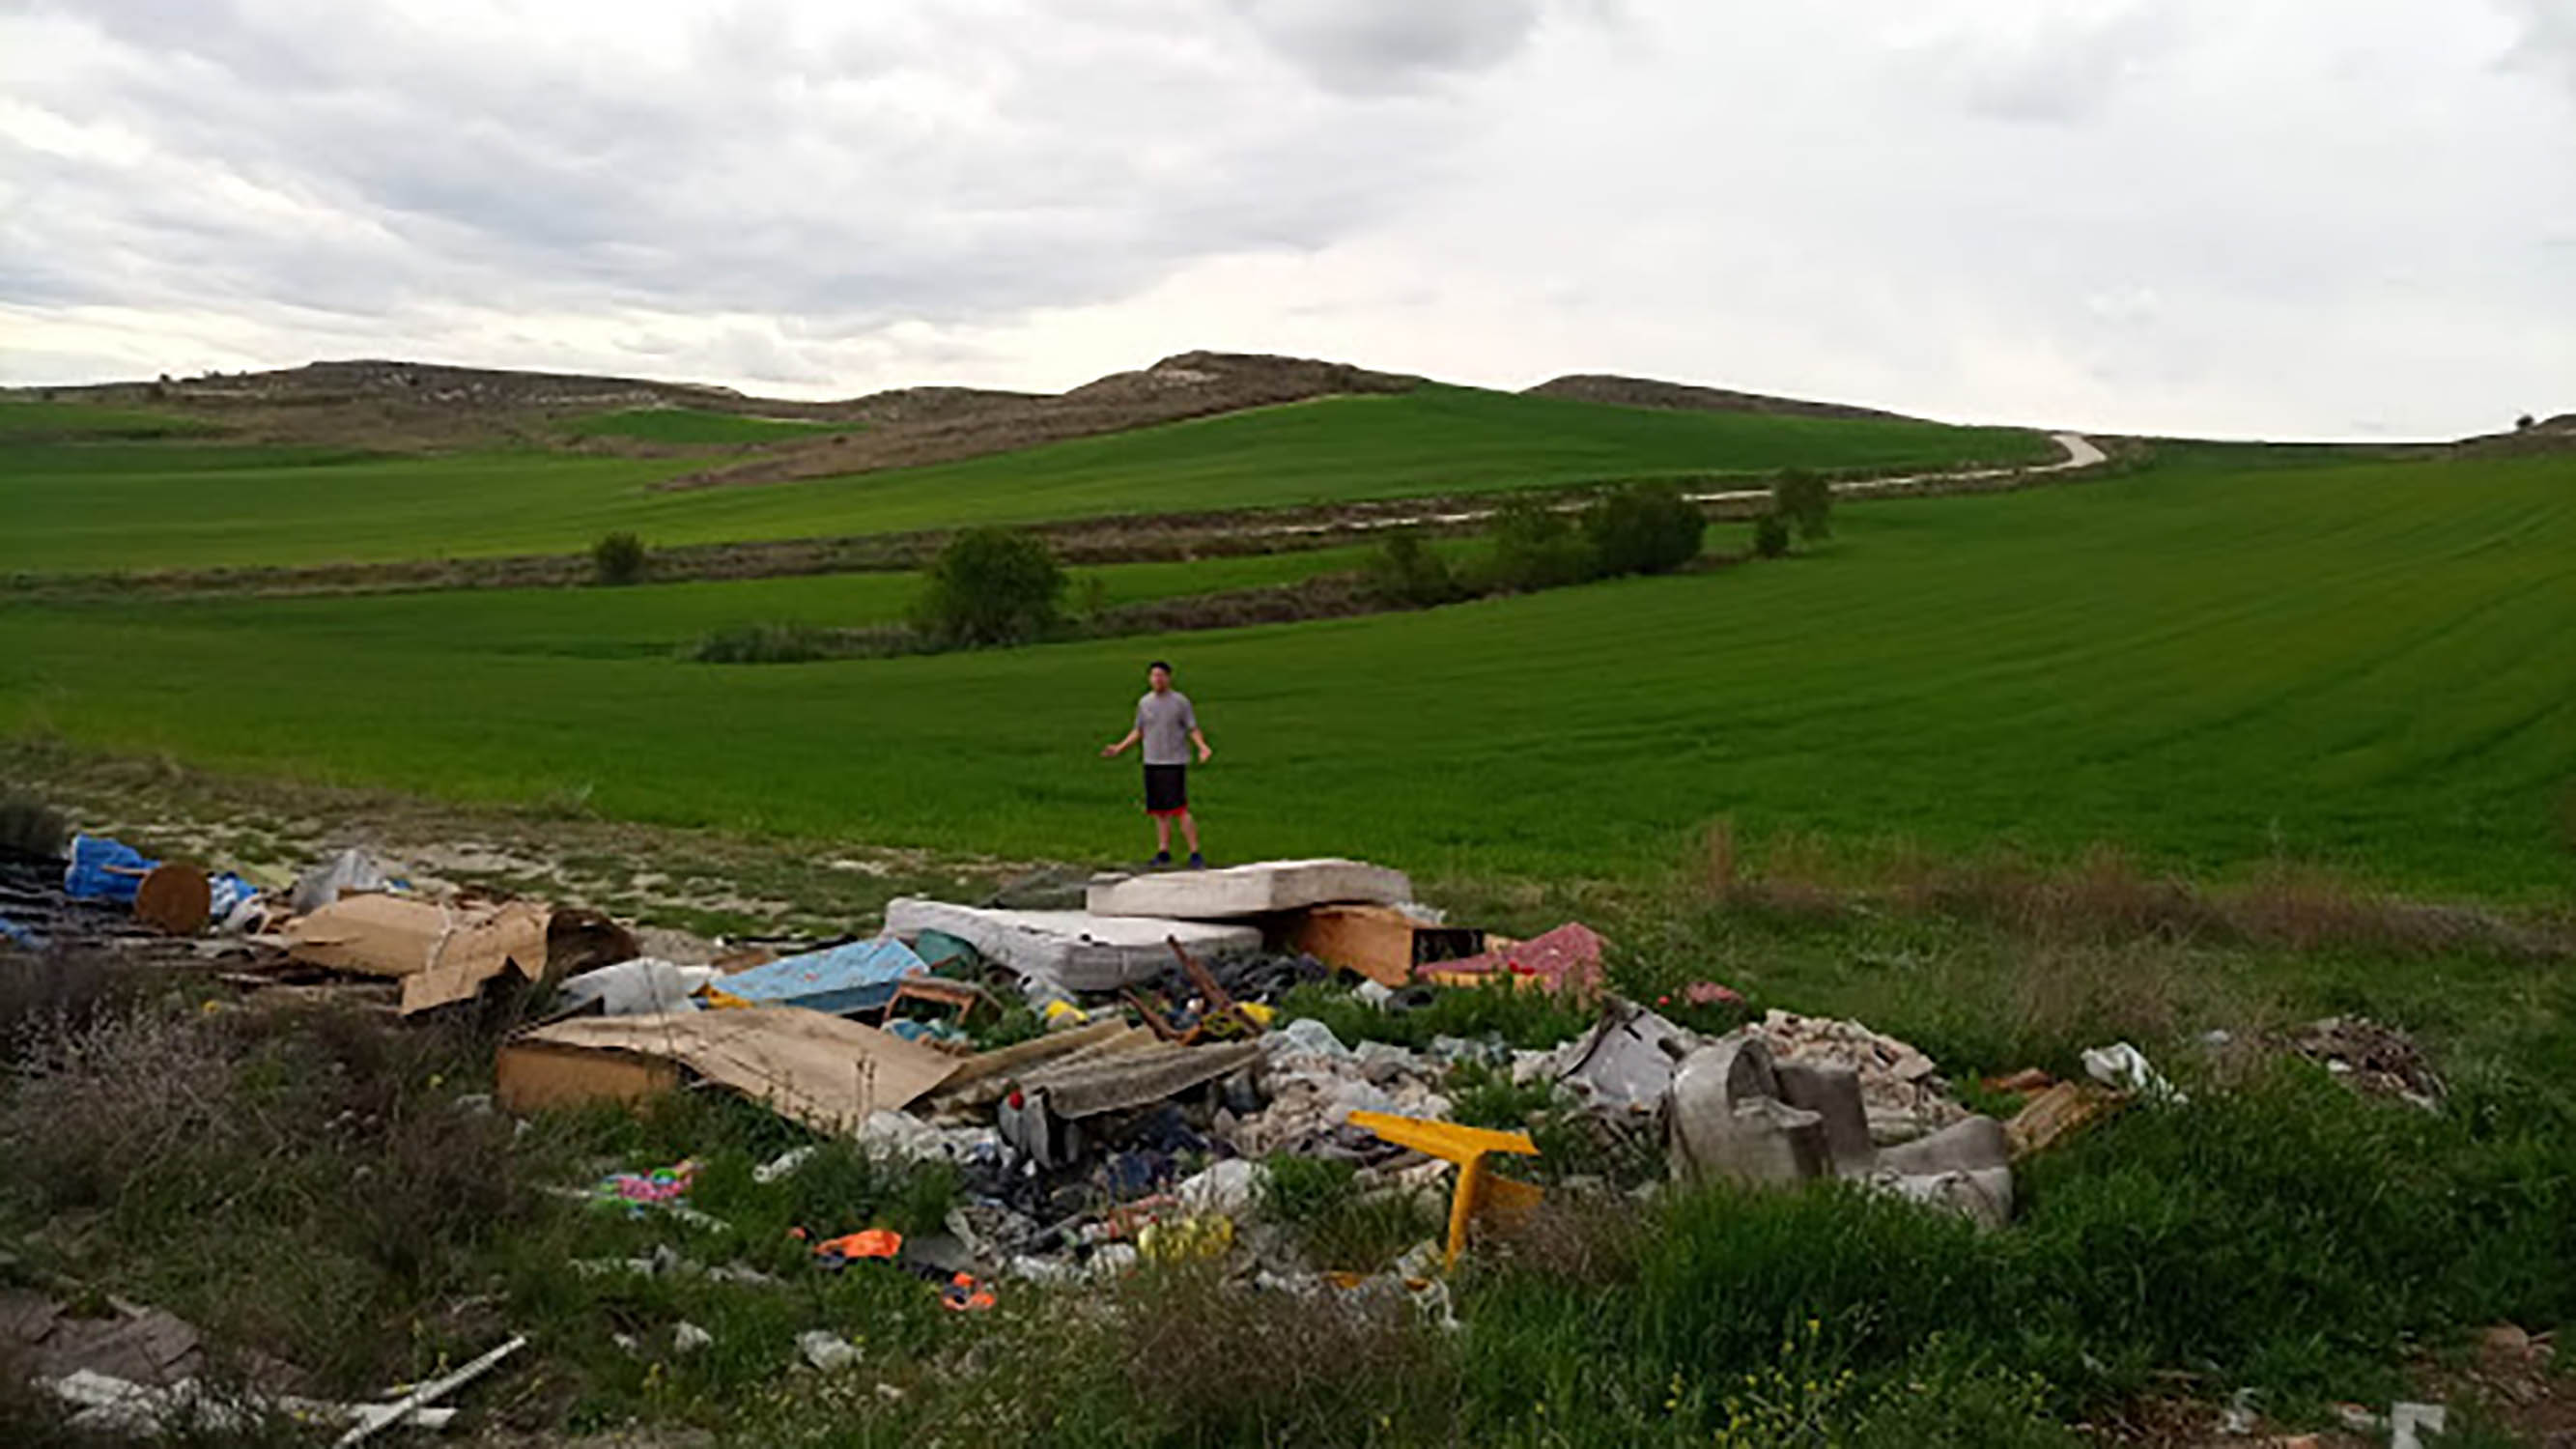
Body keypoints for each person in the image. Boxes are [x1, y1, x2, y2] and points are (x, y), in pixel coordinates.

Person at [1100, 659, 1212, 868]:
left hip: (1174, 761)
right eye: (1154, 676)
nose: (1157, 680)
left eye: (1161, 676)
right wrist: (1119, 748)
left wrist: (1202, 747)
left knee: (1180, 809)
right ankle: (1163, 851)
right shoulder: (1145, 703)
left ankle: (1195, 852)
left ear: (1168, 678)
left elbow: (1192, 728)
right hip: (1152, 760)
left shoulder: (1180, 702)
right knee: (1159, 811)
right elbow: (1139, 730)